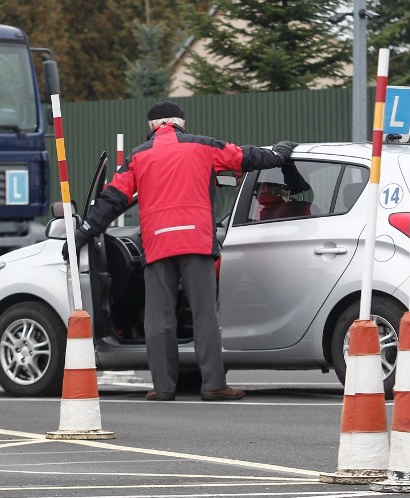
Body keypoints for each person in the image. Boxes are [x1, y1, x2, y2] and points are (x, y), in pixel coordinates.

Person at [63, 101, 297, 401]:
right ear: (181, 123)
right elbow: (245, 156)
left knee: (158, 318)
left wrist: (84, 233)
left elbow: (113, 200)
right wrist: (278, 155)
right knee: (204, 314)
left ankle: (162, 387)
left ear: (151, 126)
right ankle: (213, 384)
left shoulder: (138, 156)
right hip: (196, 241)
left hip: (158, 243)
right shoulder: (204, 146)